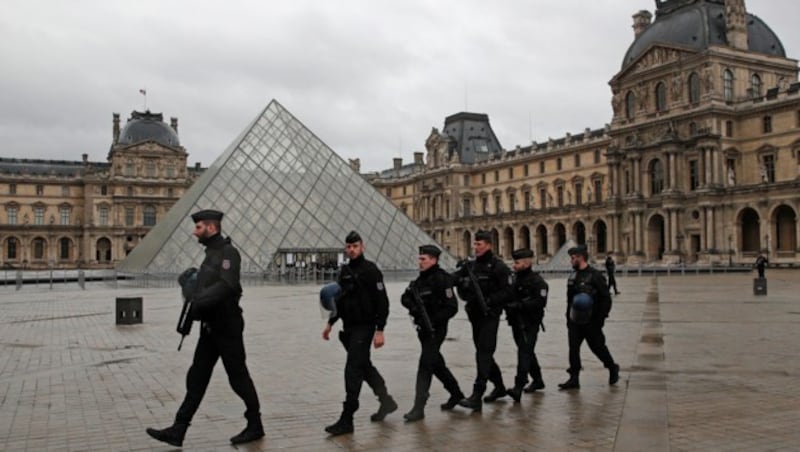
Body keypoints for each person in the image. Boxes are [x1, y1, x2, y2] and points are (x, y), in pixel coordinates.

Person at [146, 209, 264, 447]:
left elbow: (228, 286)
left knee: (238, 377)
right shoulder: (211, 253)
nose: (194, 231)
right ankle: (178, 429)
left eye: (198, 227)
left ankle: (255, 425)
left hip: (228, 326)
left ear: (211, 227)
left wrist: (200, 299)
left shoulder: (228, 253)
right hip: (211, 327)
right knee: (196, 377)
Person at [322, 231, 397, 436]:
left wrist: (380, 330)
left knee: (353, 369)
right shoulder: (344, 271)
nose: (352, 250)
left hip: (365, 327)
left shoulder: (371, 271)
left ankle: (347, 419)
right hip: (349, 327)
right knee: (364, 367)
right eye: (348, 247)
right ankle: (386, 401)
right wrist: (330, 323)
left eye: (355, 246)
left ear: (362, 246)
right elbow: (340, 299)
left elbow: (383, 302)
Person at [400, 245, 465, 422]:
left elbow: (452, 308)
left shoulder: (443, 280)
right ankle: (457, 394)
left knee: (425, 365)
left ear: (434, 260)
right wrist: (414, 308)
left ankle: (418, 407)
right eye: (420, 259)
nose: (420, 262)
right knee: (436, 363)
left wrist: (433, 320)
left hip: (436, 329)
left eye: (424, 259)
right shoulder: (418, 282)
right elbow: (404, 298)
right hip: (423, 329)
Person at [452, 230, 513, 411]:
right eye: (475, 244)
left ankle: (477, 395)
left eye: (479, 244)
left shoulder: (499, 267)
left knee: (483, 354)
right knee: (483, 352)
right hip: (475, 316)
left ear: (489, 245)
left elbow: (509, 292)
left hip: (490, 316)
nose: (476, 247)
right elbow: (454, 278)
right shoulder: (470, 266)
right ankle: (500, 387)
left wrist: (490, 300)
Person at [559, 245, 620, 391]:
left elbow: (606, 298)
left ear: (580, 257)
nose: (571, 261)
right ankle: (574, 378)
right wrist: (568, 318)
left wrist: (600, 319)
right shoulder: (573, 276)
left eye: (573, 258)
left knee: (598, 347)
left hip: (592, 321)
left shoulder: (595, 276)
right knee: (573, 349)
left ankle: (612, 367)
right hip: (575, 320)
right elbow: (570, 299)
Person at [505, 248, 549, 402]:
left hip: (530, 322)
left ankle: (519, 385)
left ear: (526, 262)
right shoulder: (514, 279)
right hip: (516, 322)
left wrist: (520, 305)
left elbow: (540, 302)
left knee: (524, 352)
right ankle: (538, 380)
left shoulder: (538, 282)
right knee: (527, 350)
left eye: (516, 262)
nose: (514, 265)